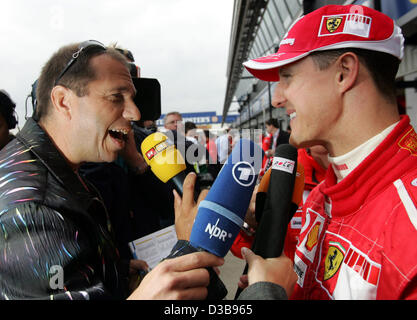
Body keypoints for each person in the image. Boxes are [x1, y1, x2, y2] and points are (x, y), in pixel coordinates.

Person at [0, 40, 223, 300]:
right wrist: (184, 250)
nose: (135, 113)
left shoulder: (56, 168)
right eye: (116, 97)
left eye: (133, 98)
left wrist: (112, 273)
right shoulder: (33, 211)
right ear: (63, 101)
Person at [242, 4, 417, 299]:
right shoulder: (322, 198)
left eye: (287, 76)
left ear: (344, 73)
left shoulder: (409, 223)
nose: (277, 99)